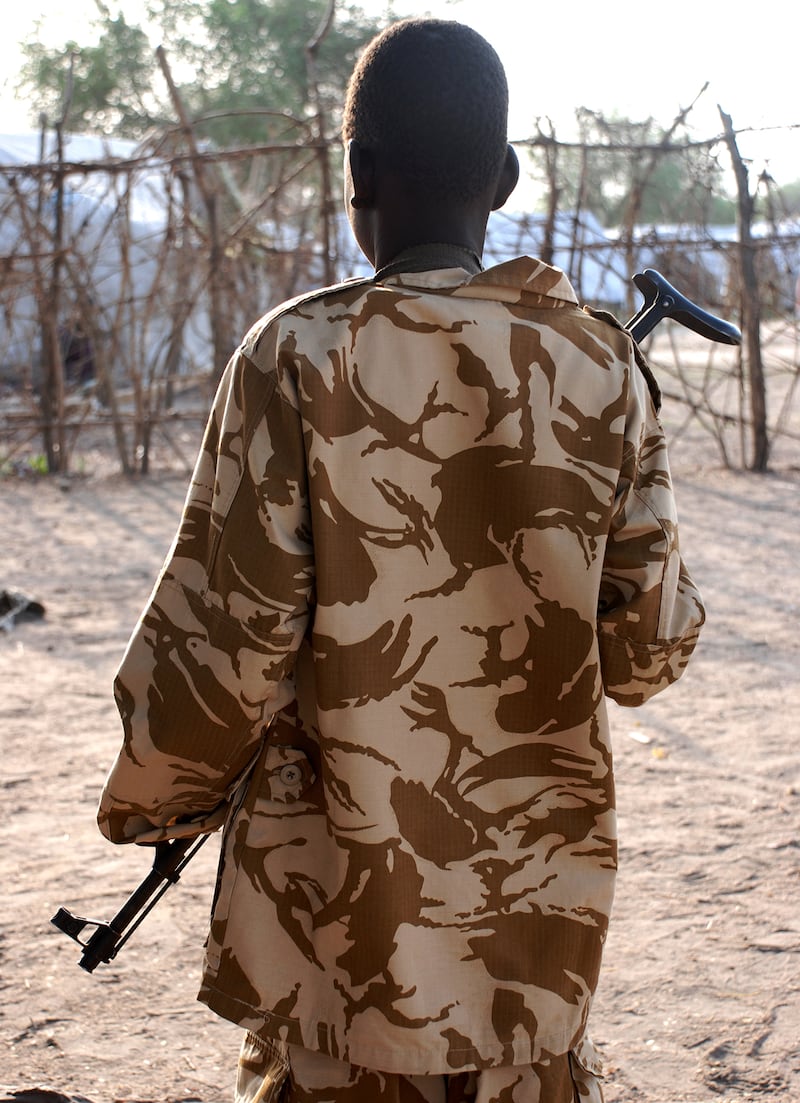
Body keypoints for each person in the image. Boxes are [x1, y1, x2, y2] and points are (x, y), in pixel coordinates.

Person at [97, 18, 705, 1103]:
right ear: (506, 178)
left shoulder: (295, 353)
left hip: (339, 951)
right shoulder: (601, 366)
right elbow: (646, 652)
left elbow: (222, 649)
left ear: (355, 173)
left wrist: (155, 803)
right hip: (531, 956)